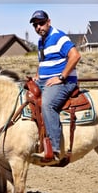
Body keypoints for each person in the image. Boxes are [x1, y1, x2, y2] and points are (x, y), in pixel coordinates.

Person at [29, 10, 81, 163]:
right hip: (44, 81)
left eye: (41, 23)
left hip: (65, 82)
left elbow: (75, 55)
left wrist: (61, 76)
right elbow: (43, 62)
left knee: (47, 104)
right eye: (35, 25)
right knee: (23, 94)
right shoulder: (41, 41)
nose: (39, 27)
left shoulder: (59, 37)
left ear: (48, 22)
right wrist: (37, 76)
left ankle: (54, 149)